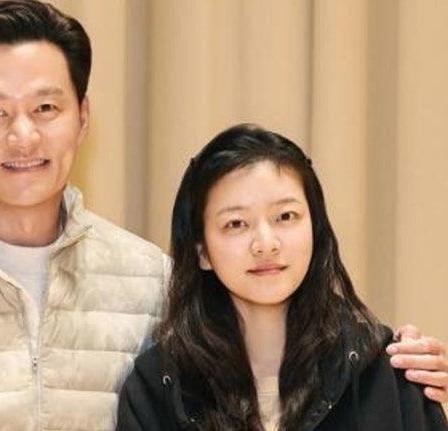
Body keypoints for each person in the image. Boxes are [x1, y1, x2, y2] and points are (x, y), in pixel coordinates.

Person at [0, 2, 445, 430]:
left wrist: (400, 383)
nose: (24, 135)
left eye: (47, 108)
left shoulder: (151, 282)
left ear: (83, 117)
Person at [117, 123, 448, 430]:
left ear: (315, 228)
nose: (266, 244)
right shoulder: (157, 388)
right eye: (236, 223)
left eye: (285, 216)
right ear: (201, 251)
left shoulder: (389, 373)